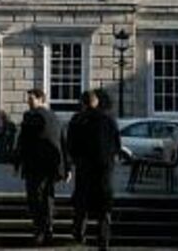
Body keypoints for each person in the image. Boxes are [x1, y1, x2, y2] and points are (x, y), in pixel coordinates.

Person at [66, 90, 122, 249]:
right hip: (104, 169)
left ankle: (79, 233)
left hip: (84, 168)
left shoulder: (77, 120)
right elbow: (117, 144)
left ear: (83, 103)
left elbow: (70, 145)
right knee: (104, 208)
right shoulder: (109, 120)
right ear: (96, 102)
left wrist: (74, 161)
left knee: (81, 204)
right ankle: (103, 239)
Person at [12, 88, 65, 246]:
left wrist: (17, 163)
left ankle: (40, 230)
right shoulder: (55, 116)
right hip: (52, 165)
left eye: (31, 99)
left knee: (35, 198)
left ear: (41, 99)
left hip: (35, 165)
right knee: (48, 197)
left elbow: (24, 141)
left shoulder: (30, 116)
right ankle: (48, 228)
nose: (28, 102)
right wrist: (66, 167)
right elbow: (62, 142)